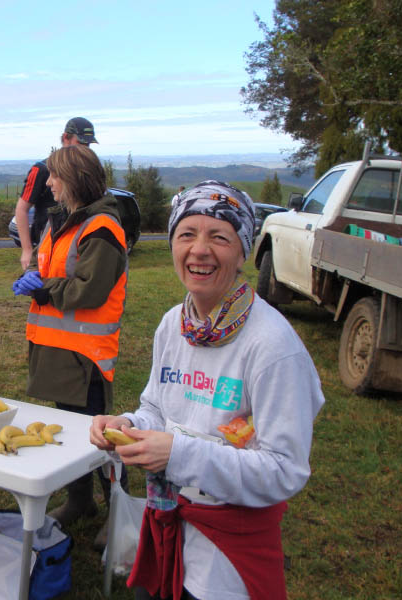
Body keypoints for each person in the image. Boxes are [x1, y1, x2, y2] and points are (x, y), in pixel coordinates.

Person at [89, 181, 325, 600]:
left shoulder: (272, 346)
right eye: (186, 234)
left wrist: (178, 455)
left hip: (227, 556)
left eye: (219, 237)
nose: (199, 250)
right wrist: (127, 425)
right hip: (167, 525)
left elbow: (284, 469)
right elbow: (157, 409)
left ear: (242, 251)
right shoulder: (173, 325)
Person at [12, 144, 128, 549]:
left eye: (55, 176)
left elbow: (91, 290)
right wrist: (33, 278)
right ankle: (80, 501)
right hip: (59, 351)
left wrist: (44, 288)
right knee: (71, 430)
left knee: (101, 436)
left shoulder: (102, 228)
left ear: (75, 179)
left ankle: (121, 510)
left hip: (85, 356)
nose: (49, 183)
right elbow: (50, 268)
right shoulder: (61, 221)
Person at [14, 117, 98, 270]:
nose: (85, 149)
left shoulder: (87, 170)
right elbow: (21, 209)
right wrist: (27, 250)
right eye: (81, 143)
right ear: (66, 138)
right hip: (46, 243)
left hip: (77, 244)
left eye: (88, 145)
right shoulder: (41, 169)